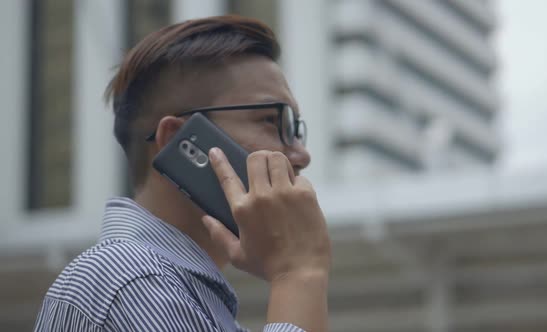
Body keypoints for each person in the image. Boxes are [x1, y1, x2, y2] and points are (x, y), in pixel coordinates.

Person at [34, 16, 331, 332]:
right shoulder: (128, 279)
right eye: (274, 121)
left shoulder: (175, 292)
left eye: (297, 130)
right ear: (183, 143)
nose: (301, 155)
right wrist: (298, 275)